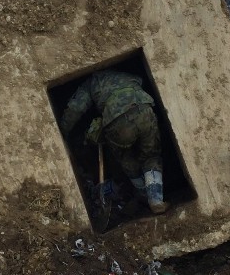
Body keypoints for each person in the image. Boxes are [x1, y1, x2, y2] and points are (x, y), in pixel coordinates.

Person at [59, 70, 168, 214]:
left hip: (115, 120)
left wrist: (63, 132)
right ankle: (155, 200)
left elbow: (75, 108)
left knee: (125, 158)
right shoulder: (128, 74)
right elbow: (141, 82)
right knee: (151, 155)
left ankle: (142, 195)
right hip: (143, 109)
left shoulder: (91, 83)